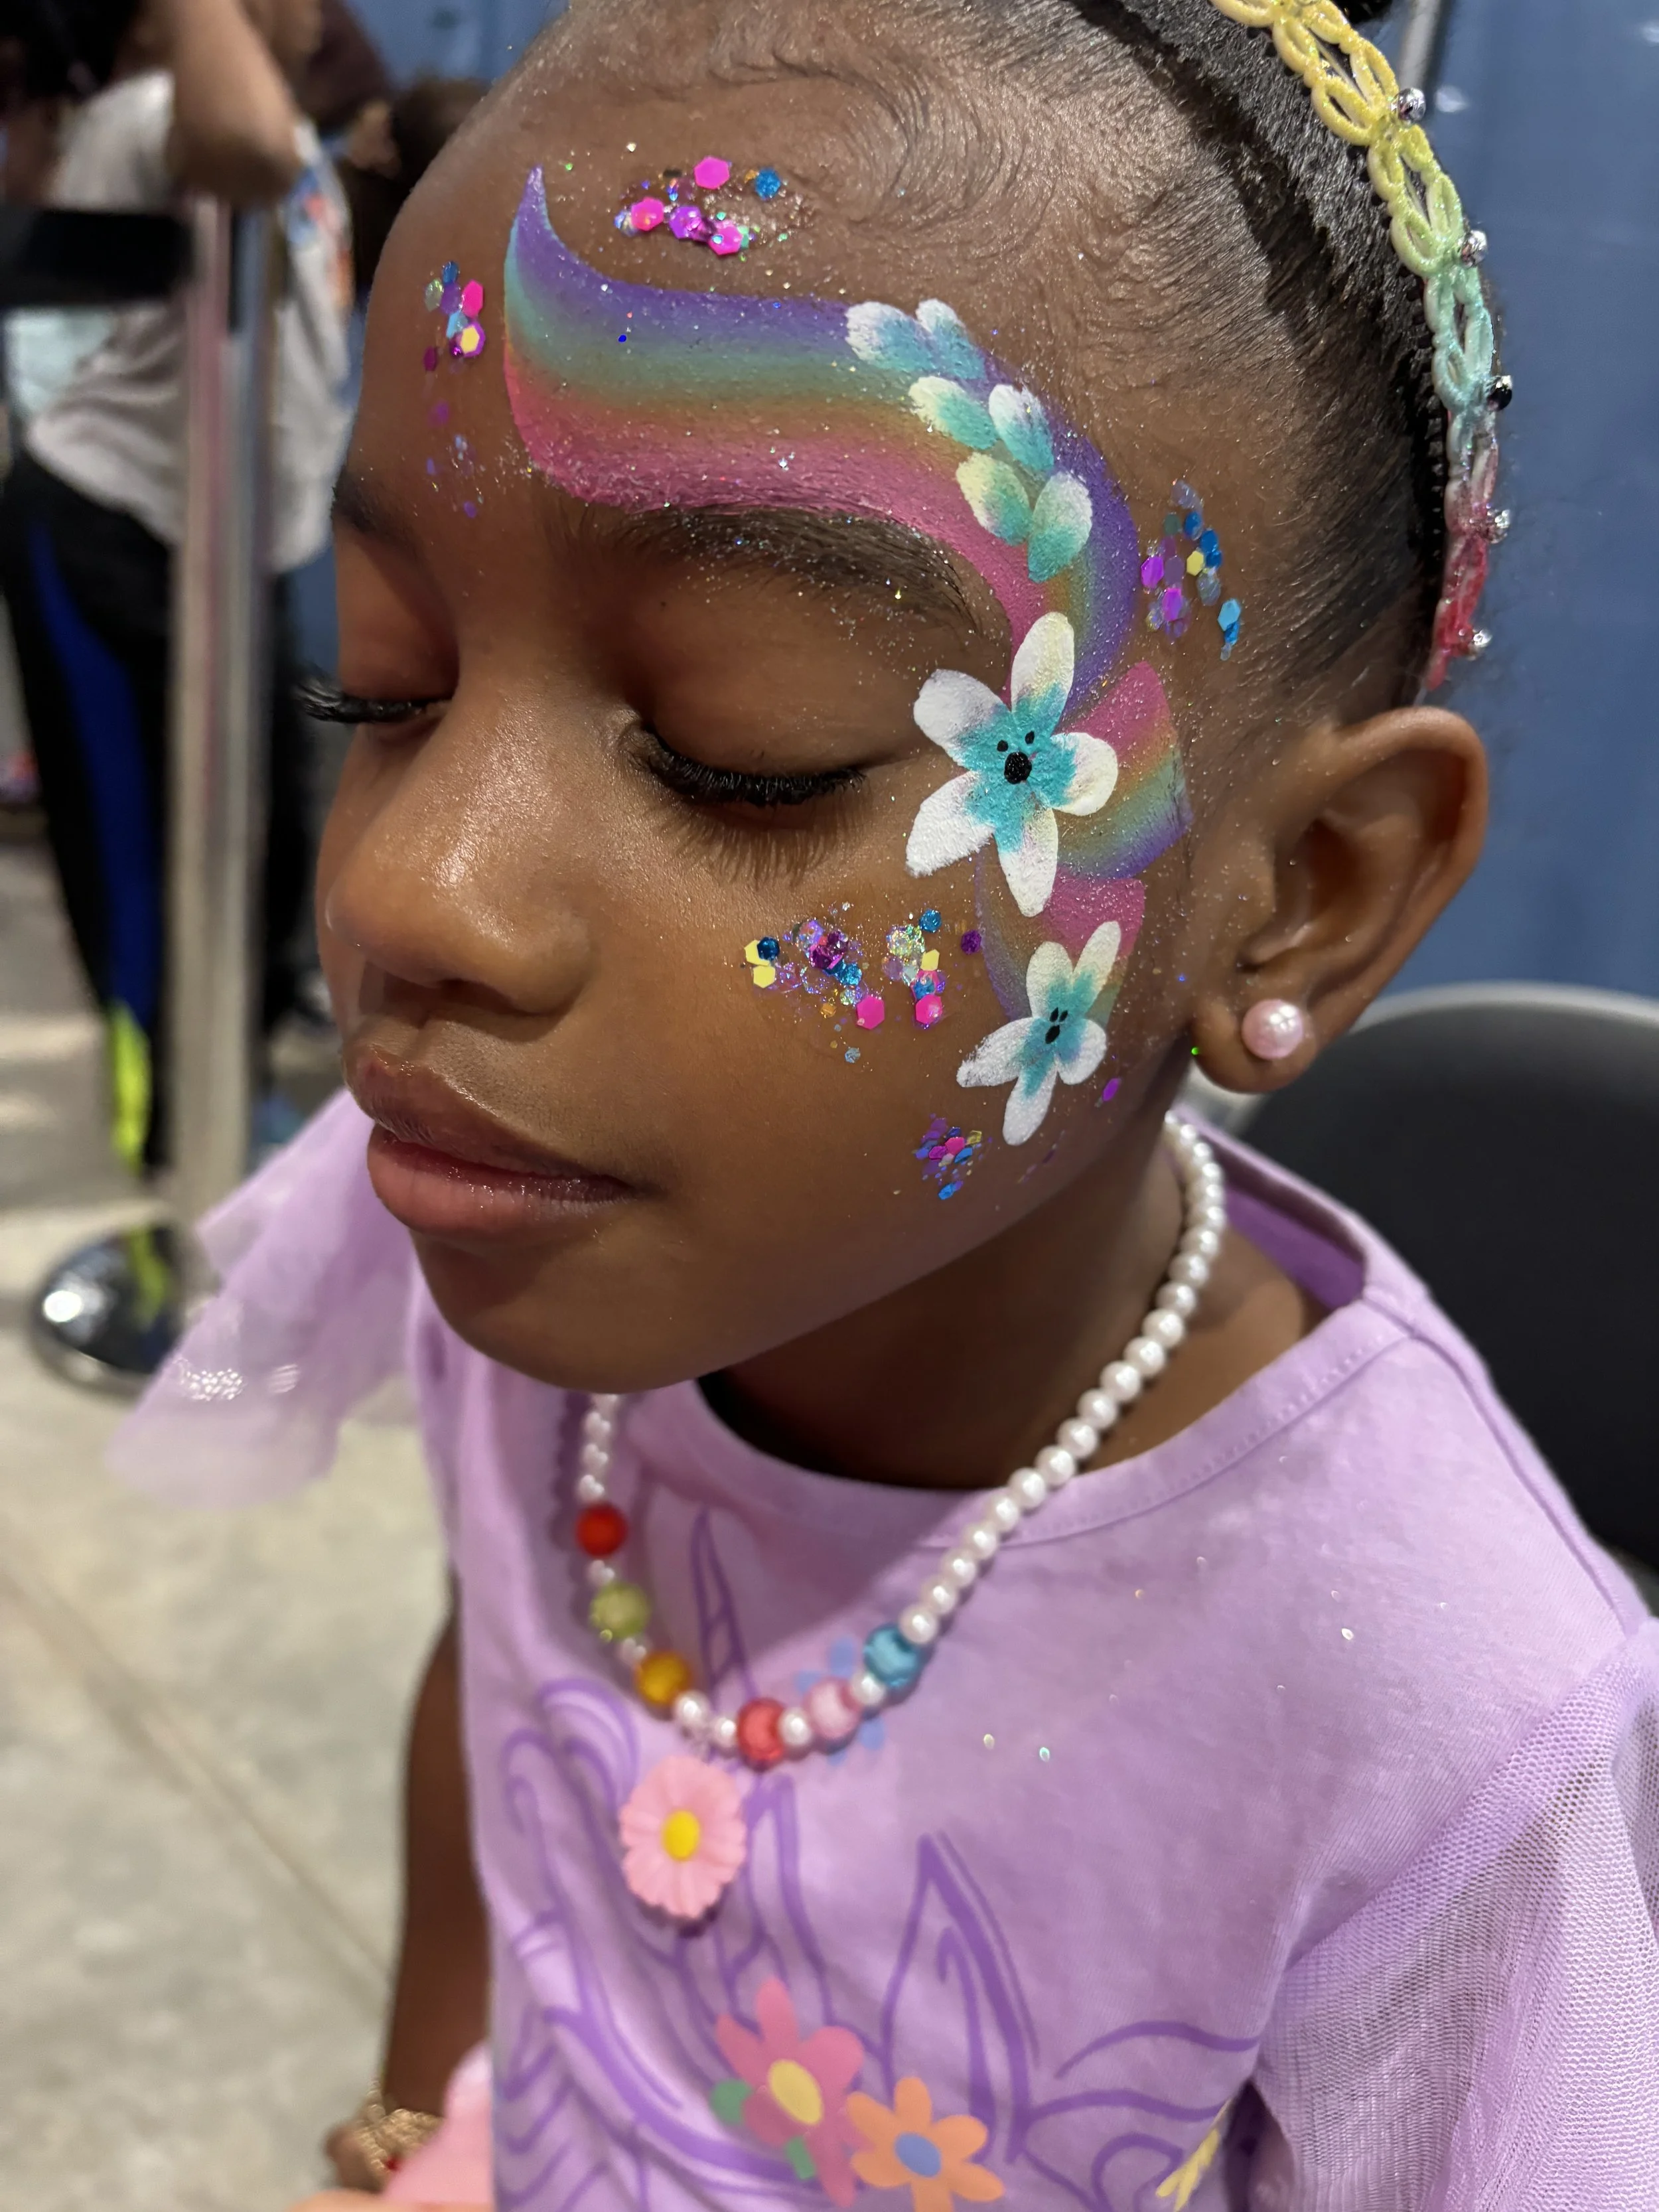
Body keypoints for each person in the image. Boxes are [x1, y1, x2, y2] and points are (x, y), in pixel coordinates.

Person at [113, 0, 1658, 2205]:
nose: (406, 887)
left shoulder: (1428, 1706)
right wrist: (414, 2113)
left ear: (1301, 896)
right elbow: (499, 1704)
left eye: (744, 750)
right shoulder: (514, 1214)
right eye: (384, 680)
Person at [0, 0, 350, 1170]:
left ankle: (226, 1113)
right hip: (112, 530)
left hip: (229, 554)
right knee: (139, 881)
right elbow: (242, 138)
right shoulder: (156, 117)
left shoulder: (295, 130)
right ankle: (172, 1180)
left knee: (255, 863)